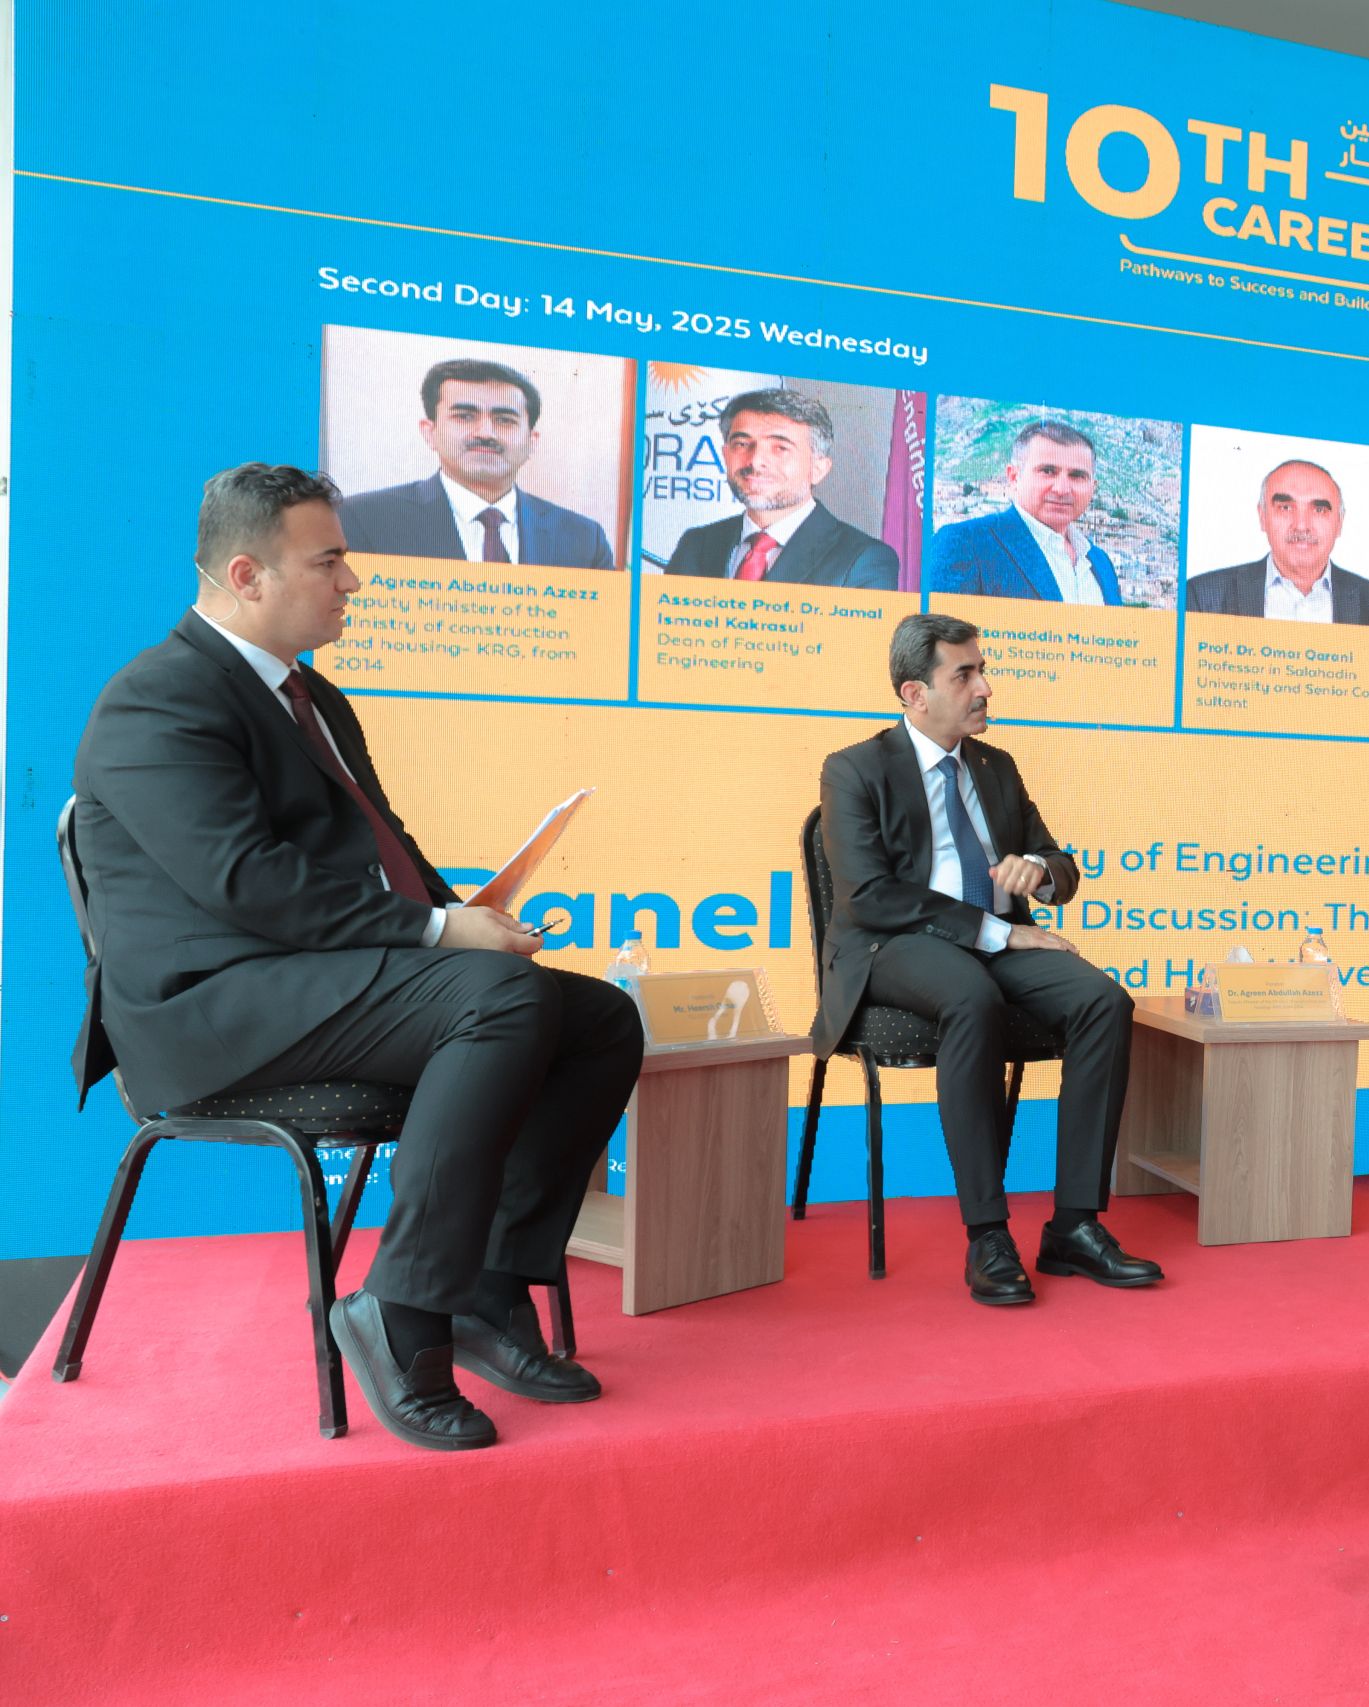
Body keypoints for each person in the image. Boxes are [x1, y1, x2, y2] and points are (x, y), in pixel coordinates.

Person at [71, 464, 644, 1451]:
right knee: (498, 1000)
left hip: (315, 978)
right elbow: (247, 882)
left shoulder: (315, 698)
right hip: (211, 1007)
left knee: (600, 1019)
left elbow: (381, 848)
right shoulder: (156, 700)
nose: (353, 581)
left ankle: (489, 1290)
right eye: (329, 560)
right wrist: (441, 937)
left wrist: (466, 913)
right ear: (246, 575)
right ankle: (402, 1309)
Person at [813, 612, 1157, 1303]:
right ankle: (988, 1235)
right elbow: (871, 896)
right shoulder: (854, 769)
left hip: (997, 941)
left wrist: (1038, 870)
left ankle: (1075, 1225)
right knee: (972, 996)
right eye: (964, 675)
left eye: (983, 671)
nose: (984, 688)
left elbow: (1059, 863)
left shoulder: (996, 767)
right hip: (893, 946)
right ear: (915, 693)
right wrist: (994, 931)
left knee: (1104, 1001)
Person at [338, 357, 619, 570]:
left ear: (532, 441)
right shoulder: (363, 519)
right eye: (465, 416)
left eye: (505, 420)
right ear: (430, 432)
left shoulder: (584, 539)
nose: (485, 433)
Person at [665, 388, 898, 588]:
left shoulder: (863, 559)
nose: (756, 461)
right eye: (742, 444)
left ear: (818, 468)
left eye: (780, 448)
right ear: (726, 455)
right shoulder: (696, 544)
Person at [1185, 459, 1369, 628]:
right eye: (1285, 508)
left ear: (1339, 523)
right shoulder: (1203, 597)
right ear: (1262, 517)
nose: (1301, 526)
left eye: (1319, 510)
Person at [924, 419, 1125, 604]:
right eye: (1048, 471)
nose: (1062, 489)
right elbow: (935, 630)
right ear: (1014, 477)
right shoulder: (965, 543)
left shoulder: (1101, 563)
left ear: (1092, 487)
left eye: (1077, 475)